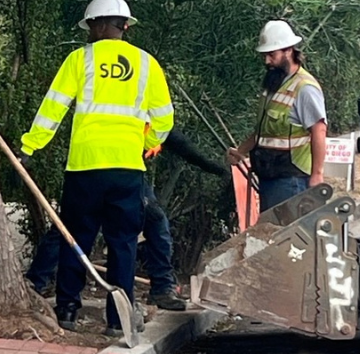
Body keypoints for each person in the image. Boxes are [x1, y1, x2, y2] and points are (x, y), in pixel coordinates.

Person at [19, 0, 174, 336]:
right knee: (123, 244)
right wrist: (146, 144)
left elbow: (53, 107)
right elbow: (164, 120)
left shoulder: (80, 60)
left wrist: (30, 146)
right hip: (127, 170)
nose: (89, 31)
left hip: (85, 168)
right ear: (126, 26)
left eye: (90, 25)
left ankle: (68, 310)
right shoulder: (147, 64)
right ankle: (118, 320)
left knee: (76, 239)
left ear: (99, 24)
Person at [24, 128, 227, 311]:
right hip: (117, 174)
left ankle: (43, 287)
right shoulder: (138, 108)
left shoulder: (135, 112)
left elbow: (178, 143)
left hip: (93, 172)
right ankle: (160, 289)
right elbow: (176, 140)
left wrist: (216, 168)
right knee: (147, 228)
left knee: (69, 227)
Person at [227, 20, 327, 210]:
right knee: (271, 233)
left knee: (284, 235)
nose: (267, 61)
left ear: (288, 50)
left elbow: (319, 130)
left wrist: (317, 174)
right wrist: (241, 151)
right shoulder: (274, 85)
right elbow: (263, 133)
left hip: (291, 179)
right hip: (270, 176)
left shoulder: (305, 88)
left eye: (271, 55)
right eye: (265, 55)